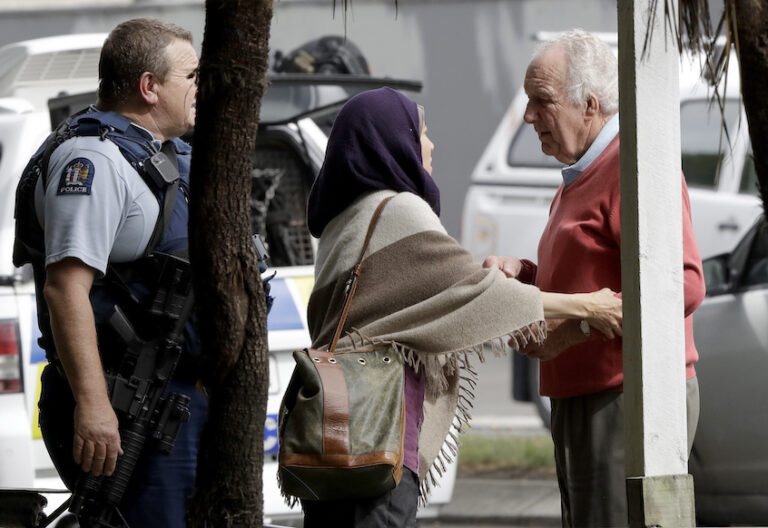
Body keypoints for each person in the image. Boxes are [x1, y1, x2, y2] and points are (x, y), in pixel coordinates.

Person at [297, 86, 623, 527]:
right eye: (423, 132)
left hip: (333, 433)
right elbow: (471, 293)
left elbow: (437, 291)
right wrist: (588, 306)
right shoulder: (398, 211)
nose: (431, 145)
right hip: (375, 433)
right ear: (394, 142)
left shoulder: (343, 220)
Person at [483, 29, 706, 527]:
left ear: (589, 104)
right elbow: (592, 274)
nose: (528, 117)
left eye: (541, 101)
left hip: (621, 398)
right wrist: (525, 273)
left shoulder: (633, 166)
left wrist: (576, 328)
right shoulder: (585, 171)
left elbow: (684, 285)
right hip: (590, 398)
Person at [13, 18, 205, 527]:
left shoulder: (161, 154)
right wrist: (95, 408)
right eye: (191, 76)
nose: (199, 88)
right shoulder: (93, 159)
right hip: (128, 409)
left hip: (172, 399)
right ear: (149, 86)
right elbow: (64, 289)